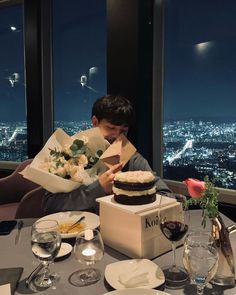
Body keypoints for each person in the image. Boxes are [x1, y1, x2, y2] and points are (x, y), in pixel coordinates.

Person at [42, 95, 171, 214]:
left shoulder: (130, 158)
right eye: (111, 128)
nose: (116, 135)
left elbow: (166, 195)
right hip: (75, 229)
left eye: (123, 131)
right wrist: (99, 188)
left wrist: (131, 191)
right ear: (95, 122)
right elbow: (49, 204)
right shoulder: (70, 153)